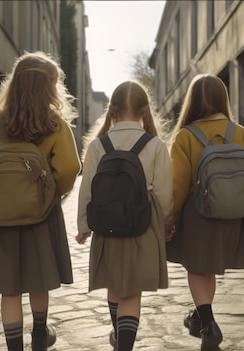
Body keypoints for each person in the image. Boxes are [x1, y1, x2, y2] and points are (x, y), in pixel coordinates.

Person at [0, 51, 81, 351]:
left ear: (15, 84)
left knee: (10, 289)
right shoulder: (55, 125)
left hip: (3, 219)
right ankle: (41, 334)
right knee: (38, 280)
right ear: (50, 88)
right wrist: (52, 193)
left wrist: (1, 198)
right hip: (42, 214)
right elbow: (71, 167)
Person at [165, 74, 244, 351]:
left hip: (199, 214)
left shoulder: (185, 136)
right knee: (208, 270)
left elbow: (177, 183)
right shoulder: (239, 132)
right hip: (232, 213)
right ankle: (200, 318)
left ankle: (208, 325)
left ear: (192, 102)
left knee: (198, 270)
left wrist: (168, 219)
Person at [76, 81, 173, 351]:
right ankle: (124, 345)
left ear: (113, 110)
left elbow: (87, 190)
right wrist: (166, 222)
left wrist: (84, 225)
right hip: (143, 223)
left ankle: (119, 335)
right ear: (145, 110)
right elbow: (165, 191)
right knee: (132, 290)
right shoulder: (155, 144)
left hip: (106, 224)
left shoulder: (98, 145)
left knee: (115, 283)